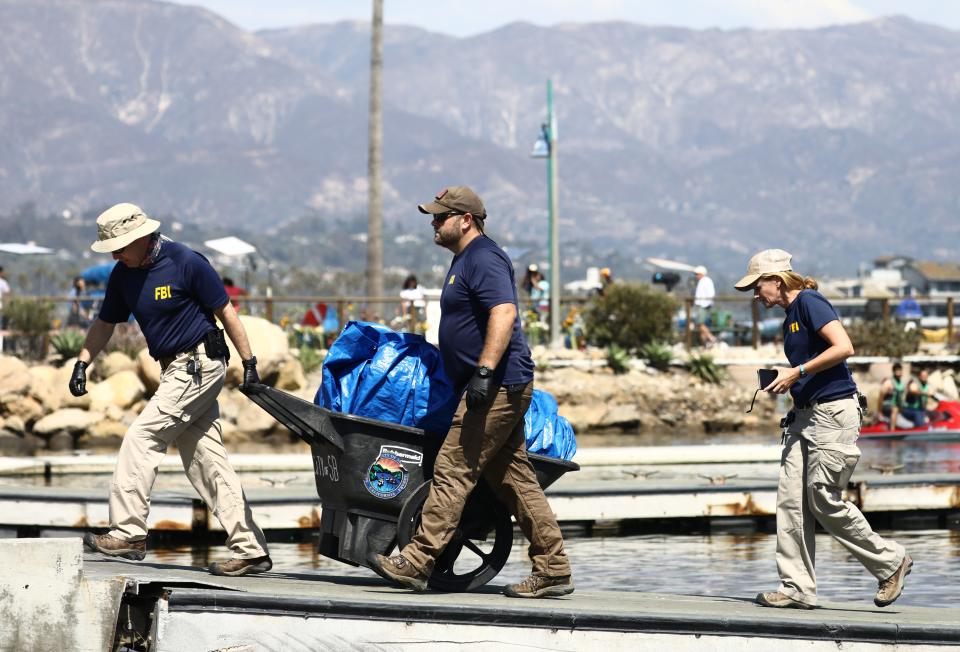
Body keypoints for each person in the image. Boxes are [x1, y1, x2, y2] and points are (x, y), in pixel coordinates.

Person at [373, 186, 573, 598]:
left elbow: (503, 312)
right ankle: (553, 568)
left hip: (497, 385)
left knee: (452, 469)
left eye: (440, 216)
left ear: (466, 220)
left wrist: (483, 371)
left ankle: (418, 559)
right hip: (497, 384)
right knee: (515, 481)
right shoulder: (465, 260)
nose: (433, 222)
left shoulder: (484, 258)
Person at [72, 203, 271, 577]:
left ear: (143, 238)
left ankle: (129, 532)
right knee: (205, 461)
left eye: (119, 246)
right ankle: (251, 550)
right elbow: (104, 323)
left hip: (199, 364)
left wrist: (249, 364)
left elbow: (227, 313)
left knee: (142, 436)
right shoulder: (122, 274)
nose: (115, 254)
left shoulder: (186, 262)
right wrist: (82, 361)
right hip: (174, 371)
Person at [735, 248, 911, 610]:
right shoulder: (789, 318)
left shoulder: (810, 302)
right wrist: (789, 381)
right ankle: (796, 586)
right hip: (804, 417)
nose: (754, 295)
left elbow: (844, 346)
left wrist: (796, 372)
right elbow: (810, 364)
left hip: (833, 415)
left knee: (821, 498)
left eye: (756, 286)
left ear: (776, 279)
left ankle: (891, 562)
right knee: (791, 501)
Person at [877, 363, 908, 430]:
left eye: (900, 370)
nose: (898, 372)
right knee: (895, 409)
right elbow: (880, 397)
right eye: (897, 370)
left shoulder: (901, 383)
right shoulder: (888, 383)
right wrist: (879, 412)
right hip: (887, 406)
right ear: (894, 372)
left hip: (898, 407)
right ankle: (892, 430)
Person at [693, 265, 717, 346]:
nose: (695, 276)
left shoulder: (706, 281)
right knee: (701, 325)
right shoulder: (703, 281)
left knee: (700, 323)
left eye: (696, 274)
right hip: (702, 305)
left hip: (704, 305)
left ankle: (711, 338)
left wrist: (706, 303)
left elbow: (711, 293)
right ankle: (704, 343)